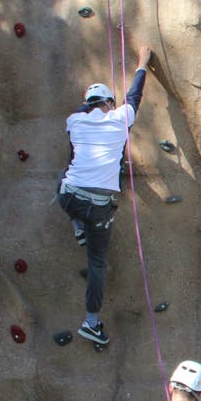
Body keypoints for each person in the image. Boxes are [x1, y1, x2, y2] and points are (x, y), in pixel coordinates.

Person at [59, 45, 153, 345]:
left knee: (66, 178)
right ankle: (91, 322)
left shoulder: (74, 121)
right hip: (99, 207)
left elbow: (76, 147)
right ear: (111, 103)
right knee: (97, 262)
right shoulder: (120, 118)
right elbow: (135, 95)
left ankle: (78, 228)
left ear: (86, 105)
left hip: (70, 196)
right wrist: (143, 62)